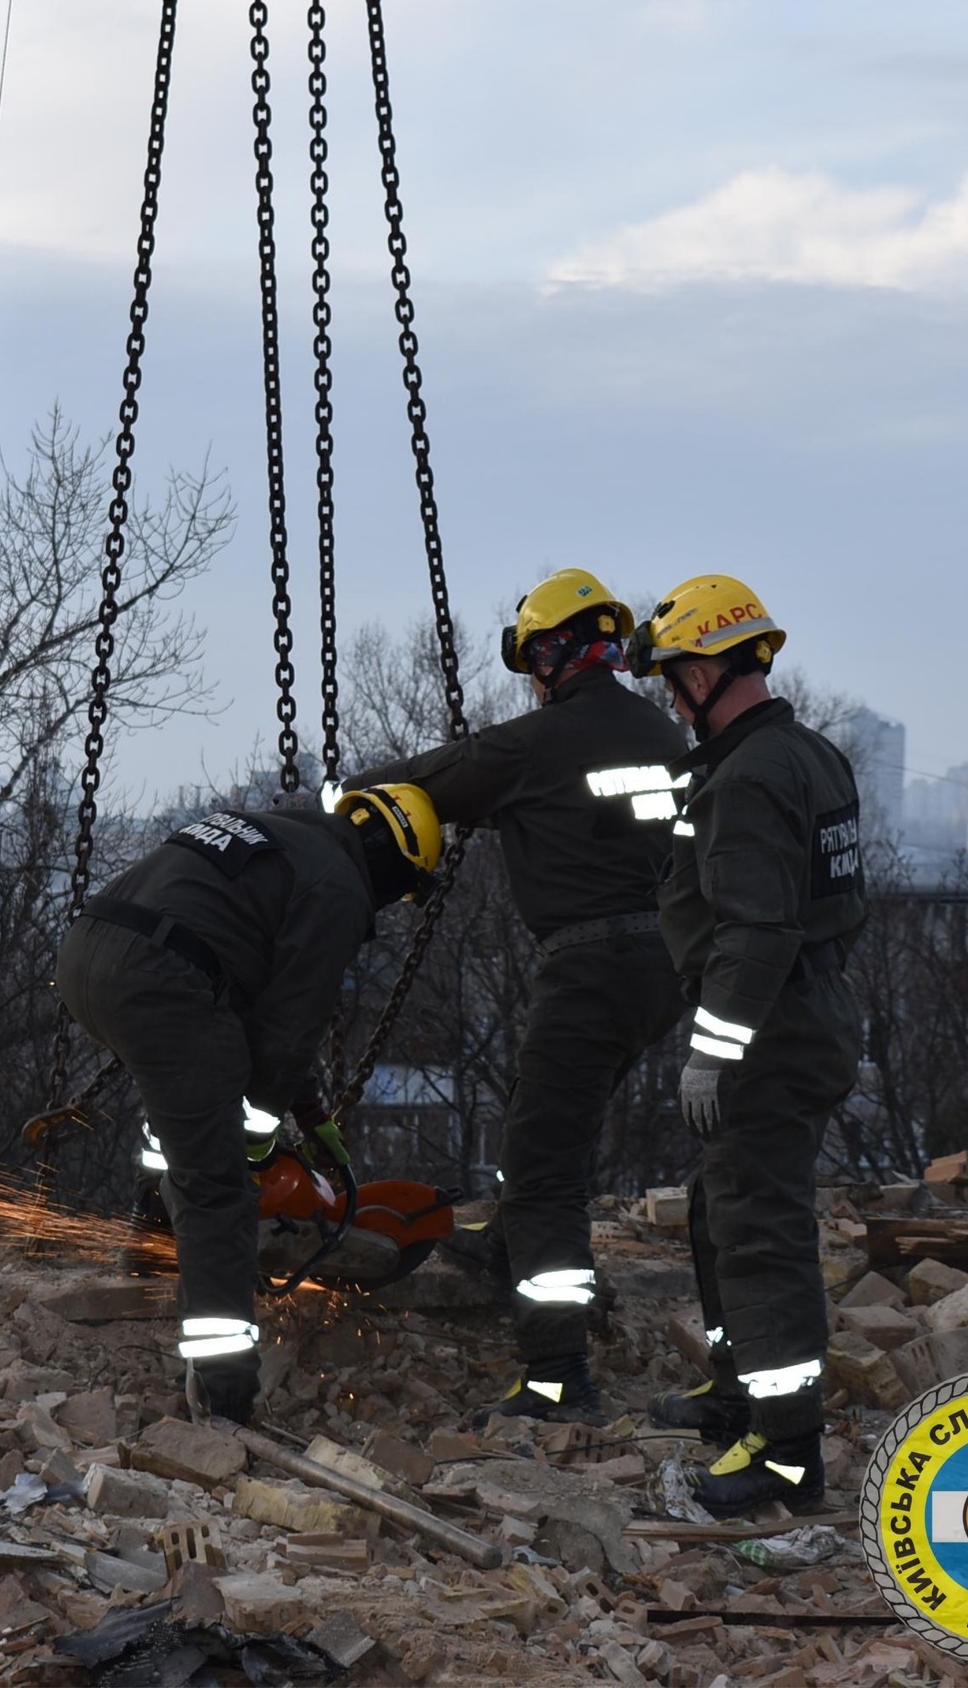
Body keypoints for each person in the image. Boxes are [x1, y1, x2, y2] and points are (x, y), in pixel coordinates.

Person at [344, 569, 688, 1424]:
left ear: (549, 653)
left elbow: (422, 780)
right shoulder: (663, 734)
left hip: (590, 966)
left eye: (532, 659)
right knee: (550, 1116)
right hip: (663, 966)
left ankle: (557, 1374)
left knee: (543, 1173)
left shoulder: (538, 743)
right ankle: (506, 1247)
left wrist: (331, 802)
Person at [54, 784, 441, 1424]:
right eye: (402, 890)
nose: (392, 902)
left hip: (88, 955)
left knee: (187, 1114)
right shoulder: (342, 888)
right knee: (219, 1185)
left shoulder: (281, 834)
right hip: (163, 977)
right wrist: (257, 1138)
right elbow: (290, 1026)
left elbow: (267, 1008)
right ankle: (225, 1394)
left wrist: (310, 1113)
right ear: (392, 861)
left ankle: (151, 1241)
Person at [628, 574, 867, 1515]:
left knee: (759, 1229)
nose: (670, 699)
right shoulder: (810, 754)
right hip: (807, 1008)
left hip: (769, 1027)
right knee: (717, 1210)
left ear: (700, 672)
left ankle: (786, 1452)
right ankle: (738, 1391)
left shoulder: (749, 776)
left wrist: (716, 1049)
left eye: (671, 680)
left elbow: (758, 930)